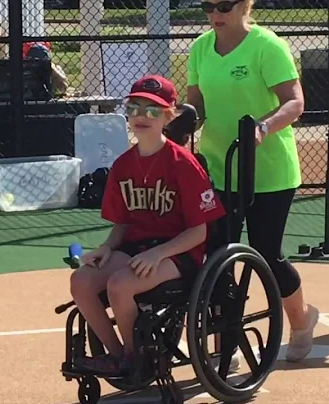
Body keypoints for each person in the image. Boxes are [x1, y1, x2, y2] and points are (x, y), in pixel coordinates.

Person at [186, 0, 319, 361]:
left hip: (270, 172)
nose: (216, 13)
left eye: (224, 6)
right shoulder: (199, 48)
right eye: (208, 6)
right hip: (218, 168)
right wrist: (180, 125)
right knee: (215, 254)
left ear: (245, 6)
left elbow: (294, 102)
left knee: (265, 254)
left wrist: (263, 126)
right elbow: (195, 107)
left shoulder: (267, 45)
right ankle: (219, 339)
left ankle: (302, 321)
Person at [69, 75, 226, 374]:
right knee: (82, 281)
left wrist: (159, 254)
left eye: (152, 110)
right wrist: (106, 247)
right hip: (137, 247)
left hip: (180, 253)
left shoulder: (183, 163)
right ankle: (120, 356)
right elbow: (123, 224)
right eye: (134, 108)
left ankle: (134, 359)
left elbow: (199, 232)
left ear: (169, 115)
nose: (141, 116)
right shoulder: (123, 165)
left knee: (120, 285)